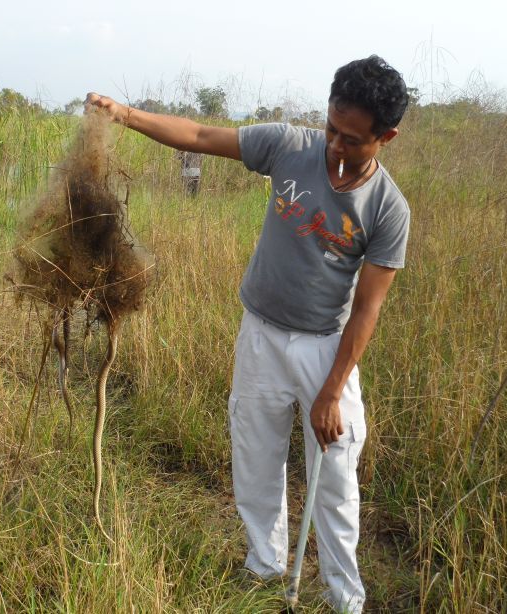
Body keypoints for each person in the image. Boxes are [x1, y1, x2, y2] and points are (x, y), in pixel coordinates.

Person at [86, 55, 410, 613]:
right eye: (332, 127)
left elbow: (366, 310)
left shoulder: (387, 208)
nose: (335, 145)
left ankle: (343, 598)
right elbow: (201, 134)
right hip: (260, 333)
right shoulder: (290, 146)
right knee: (256, 459)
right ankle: (263, 566)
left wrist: (332, 391)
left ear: (386, 137)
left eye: (353, 140)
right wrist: (125, 114)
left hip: (325, 351)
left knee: (333, 478)